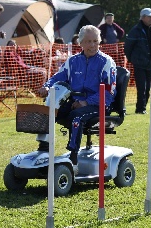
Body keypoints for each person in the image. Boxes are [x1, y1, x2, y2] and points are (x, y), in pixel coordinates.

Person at [38, 25, 117, 174]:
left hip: (99, 104)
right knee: (50, 110)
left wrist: (86, 102)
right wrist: (47, 86)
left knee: (76, 117)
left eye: (95, 41)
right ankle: (43, 150)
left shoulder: (106, 62)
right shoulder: (73, 61)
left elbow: (109, 92)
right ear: (80, 43)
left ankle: (73, 159)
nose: (92, 45)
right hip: (75, 102)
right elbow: (58, 77)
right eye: (88, 41)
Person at [124, 8, 151, 114]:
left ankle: (143, 107)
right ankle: (140, 109)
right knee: (141, 87)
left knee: (147, 87)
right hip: (139, 64)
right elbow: (128, 47)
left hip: (150, 64)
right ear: (143, 17)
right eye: (149, 16)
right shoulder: (135, 31)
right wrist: (132, 59)